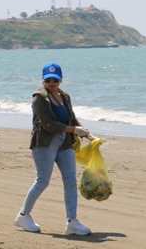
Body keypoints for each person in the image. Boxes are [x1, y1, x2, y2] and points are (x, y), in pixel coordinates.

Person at [15, 63, 92, 236]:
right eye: (48, 80)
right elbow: (48, 124)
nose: (52, 83)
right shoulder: (39, 98)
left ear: (61, 79)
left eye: (55, 80)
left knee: (70, 181)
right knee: (42, 181)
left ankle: (72, 221)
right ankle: (23, 215)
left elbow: (71, 119)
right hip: (45, 143)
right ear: (43, 80)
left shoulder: (64, 96)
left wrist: (85, 132)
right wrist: (74, 130)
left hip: (64, 143)